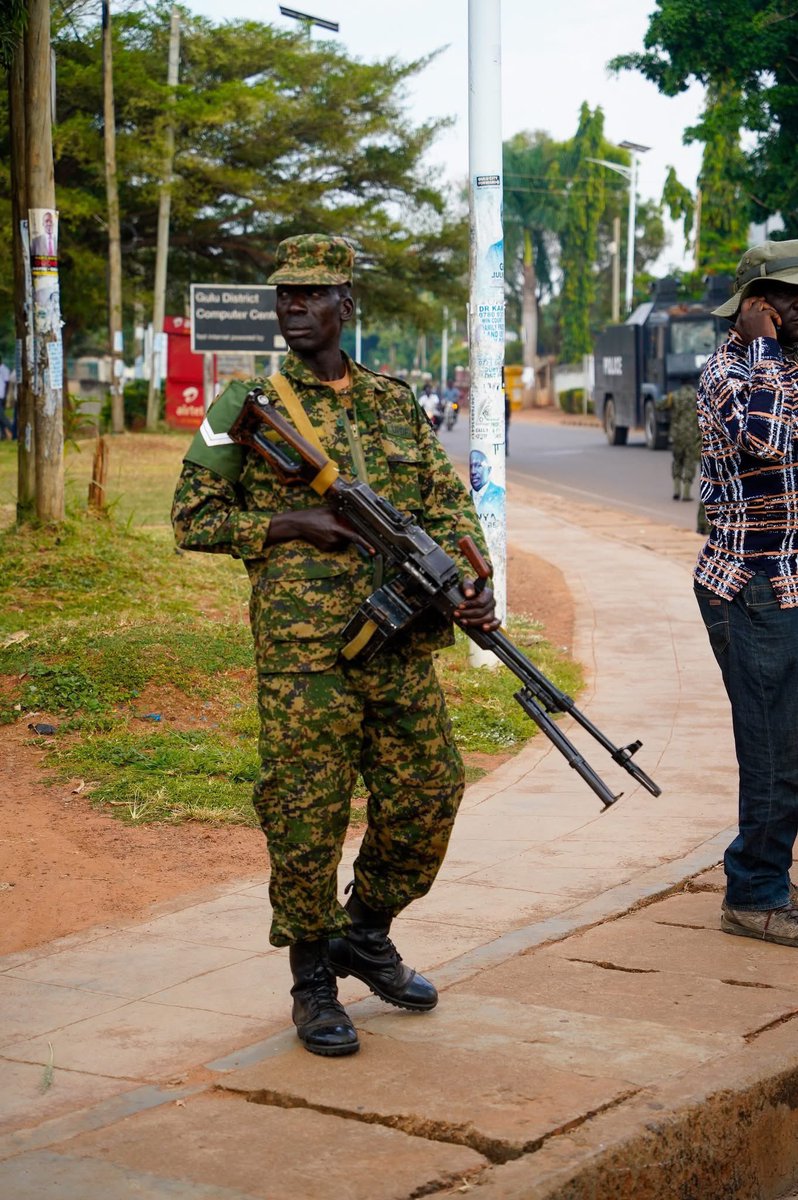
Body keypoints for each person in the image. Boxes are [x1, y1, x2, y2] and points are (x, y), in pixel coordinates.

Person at [172, 234, 499, 1056]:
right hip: (305, 657)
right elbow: (192, 520)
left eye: (312, 294)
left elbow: (445, 502)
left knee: (431, 790)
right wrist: (292, 523)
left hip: (399, 640)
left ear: (346, 304)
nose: (294, 307)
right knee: (307, 815)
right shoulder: (242, 407)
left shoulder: (392, 402)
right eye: (285, 294)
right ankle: (313, 981)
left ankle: (366, 930)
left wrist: (469, 574)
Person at [694, 238, 798, 947]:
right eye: (791, 299)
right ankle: (754, 894)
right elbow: (761, 440)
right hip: (750, 583)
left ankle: (765, 879)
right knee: (772, 750)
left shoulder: (787, 369)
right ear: (760, 305)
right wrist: (764, 348)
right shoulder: (731, 370)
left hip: (788, 580)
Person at [469, 449, 505, 525]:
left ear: (488, 470)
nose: (473, 472)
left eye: (478, 466)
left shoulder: (499, 493)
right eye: (471, 466)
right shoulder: (467, 497)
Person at [0, 358, 12, 441]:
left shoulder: (4, 369)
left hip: (1, 395)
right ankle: (3, 434)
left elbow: (7, 383)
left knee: (2, 416)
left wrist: (5, 396)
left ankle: (12, 430)